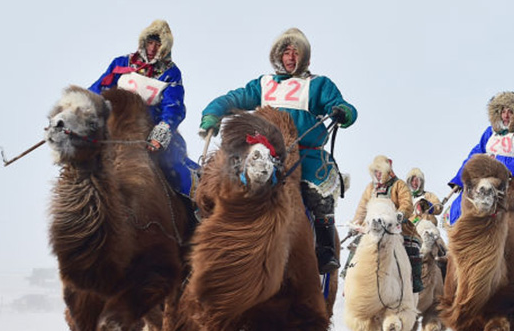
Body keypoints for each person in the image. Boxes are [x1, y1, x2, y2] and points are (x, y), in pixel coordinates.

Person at [198, 27, 356, 274]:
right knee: (223, 176)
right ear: (278, 56)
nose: (290, 57)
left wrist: (343, 111)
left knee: (318, 194)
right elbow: (236, 97)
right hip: (265, 150)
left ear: (304, 57)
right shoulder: (264, 84)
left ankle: (326, 248)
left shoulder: (318, 85)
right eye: (286, 52)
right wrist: (213, 112)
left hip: (305, 152)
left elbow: (340, 104)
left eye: (295, 52)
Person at [89, 19, 198, 196]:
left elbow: (174, 107)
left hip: (148, 130)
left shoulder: (171, 73)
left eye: (158, 44)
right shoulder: (122, 63)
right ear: (143, 42)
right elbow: (97, 90)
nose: (153, 48)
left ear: (165, 47)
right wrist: (78, 110)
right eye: (150, 42)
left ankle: (197, 200)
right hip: (113, 126)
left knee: (173, 166)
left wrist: (160, 134)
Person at [447, 91, 514, 271]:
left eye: (510, 111)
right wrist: (459, 178)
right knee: (459, 205)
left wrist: (501, 166)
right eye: (503, 111)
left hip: (513, 181)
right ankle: (456, 244)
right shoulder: (489, 133)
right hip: (485, 179)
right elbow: (473, 155)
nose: (506, 115)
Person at [346, 156, 423, 293]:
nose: (378, 174)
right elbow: (362, 207)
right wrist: (356, 224)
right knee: (356, 246)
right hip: (372, 227)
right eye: (375, 171)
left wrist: (400, 214)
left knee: (412, 247)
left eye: (380, 171)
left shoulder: (399, 184)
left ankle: (414, 281)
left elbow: (407, 203)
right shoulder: (370, 188)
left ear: (387, 171)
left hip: (396, 226)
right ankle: (348, 278)